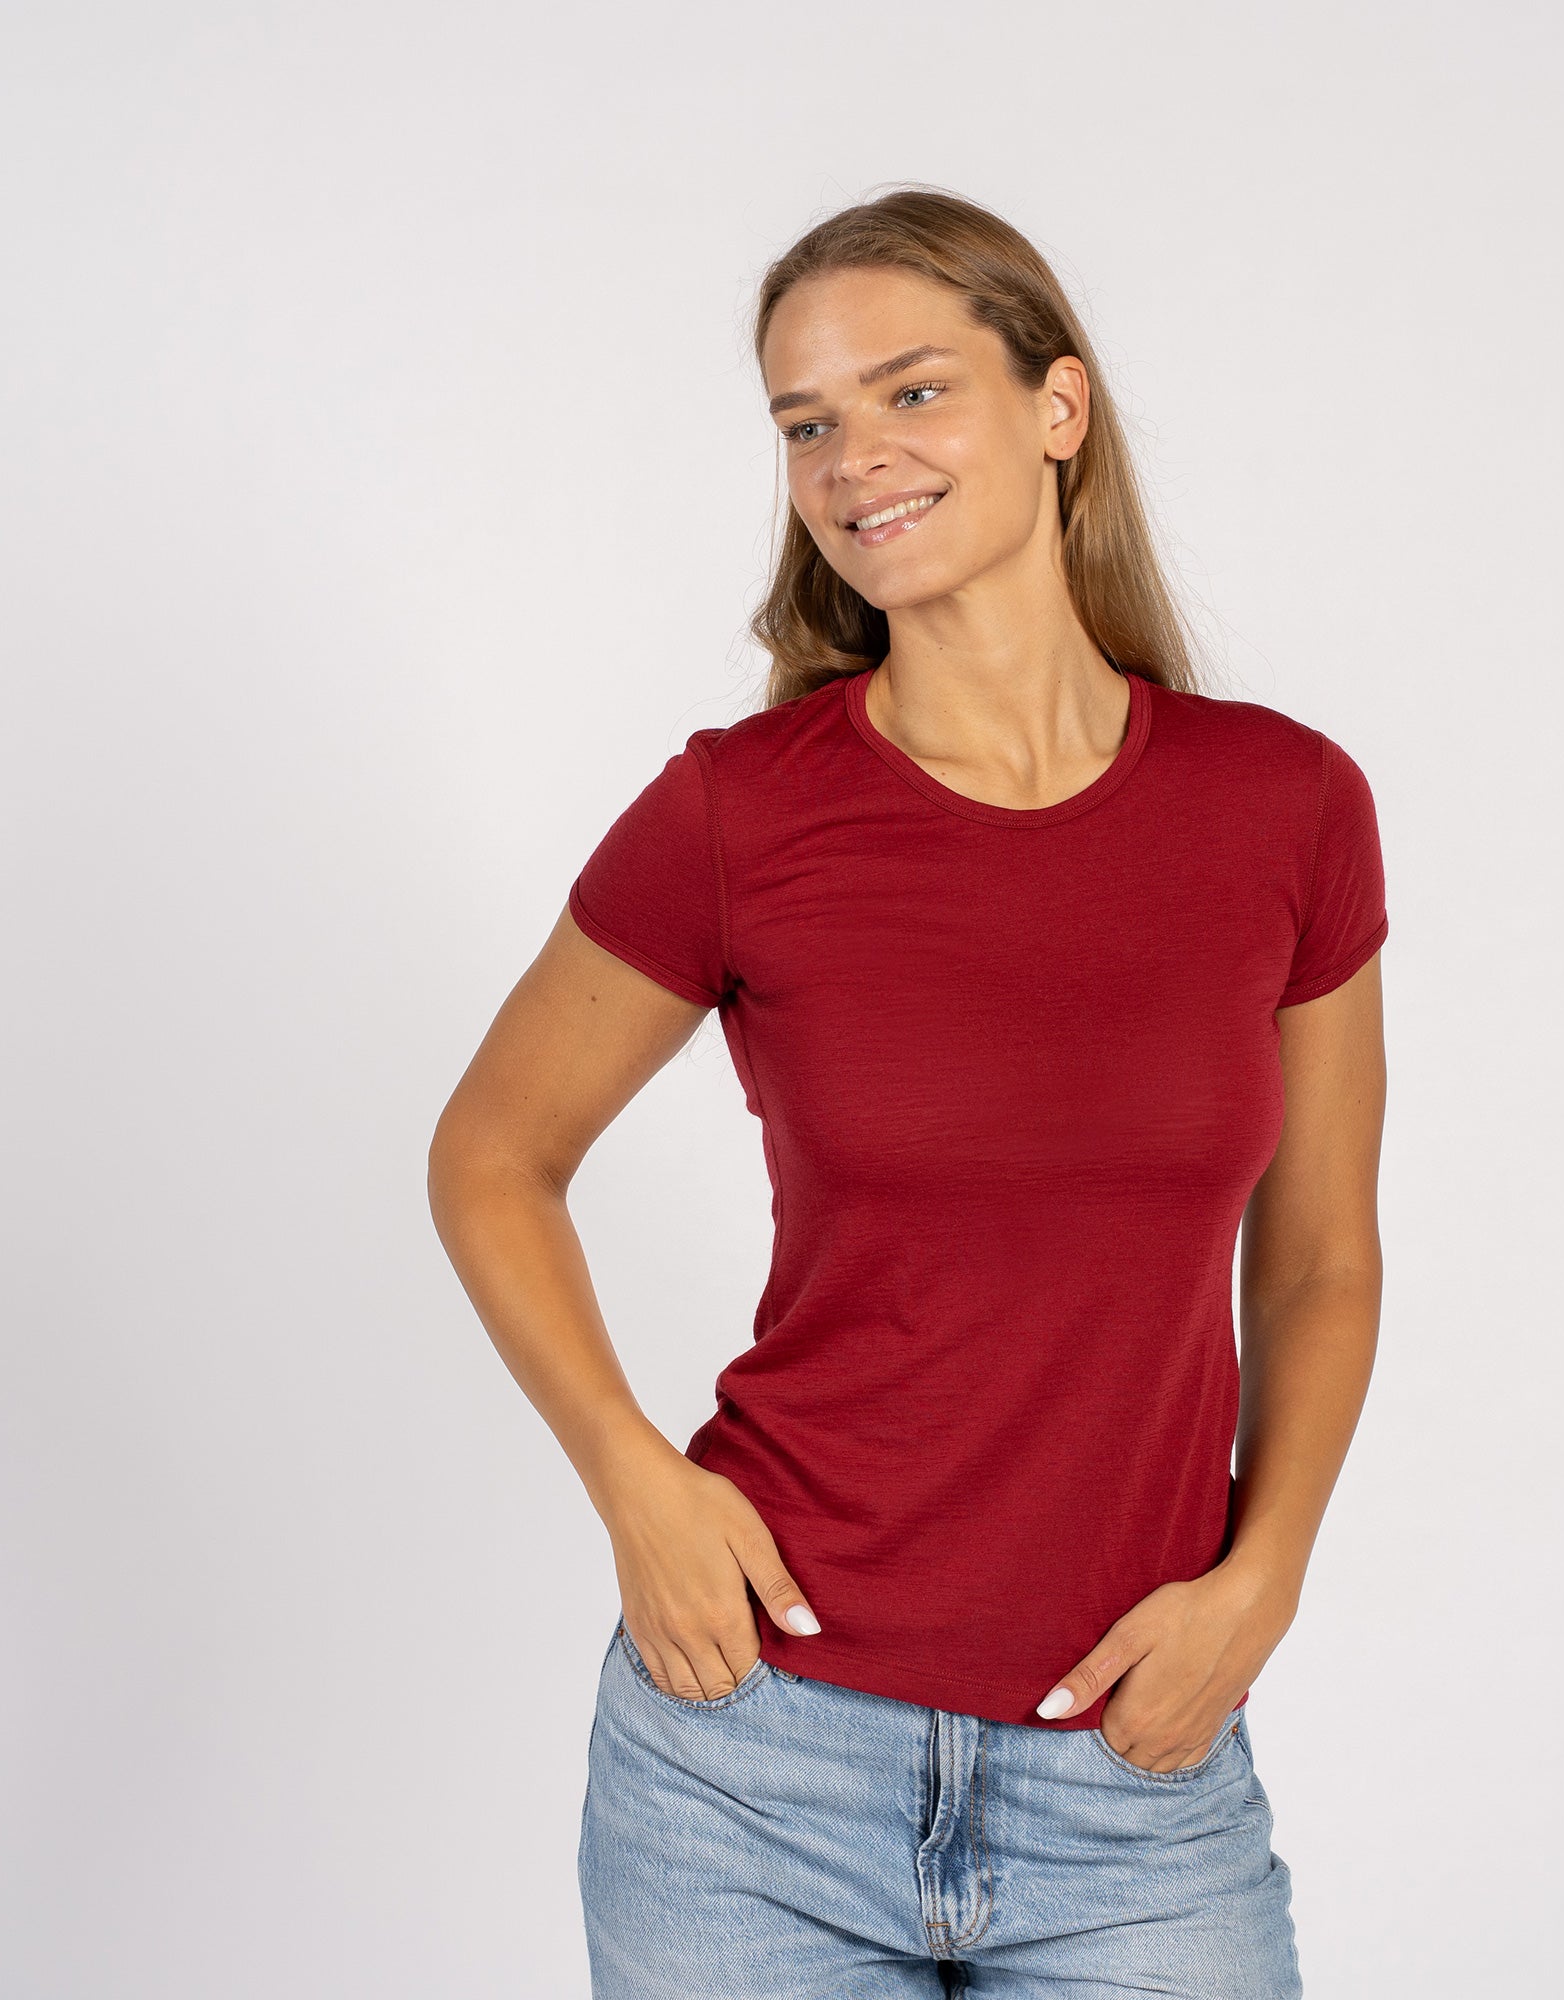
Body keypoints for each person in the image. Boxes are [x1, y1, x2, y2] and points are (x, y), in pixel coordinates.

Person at [427, 187, 1388, 1999]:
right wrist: (635, 1481)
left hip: (1137, 1779)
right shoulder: (740, 812)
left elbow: (1324, 1255)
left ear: (1058, 405)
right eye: (806, 424)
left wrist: (1265, 1576)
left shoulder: (1286, 809)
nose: (851, 457)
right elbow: (492, 1153)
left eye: (912, 392)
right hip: (750, 1766)